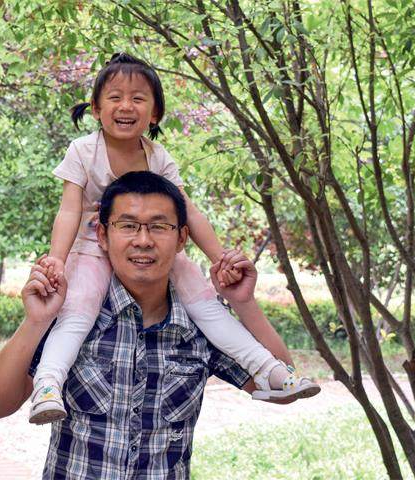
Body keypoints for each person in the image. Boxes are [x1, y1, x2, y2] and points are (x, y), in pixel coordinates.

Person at [29, 53, 319, 424]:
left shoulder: (159, 157)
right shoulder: (83, 151)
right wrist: (57, 259)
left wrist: (219, 258)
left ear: (155, 114)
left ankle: (270, 370)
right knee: (78, 313)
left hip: (153, 246)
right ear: (97, 109)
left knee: (207, 305)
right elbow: (69, 210)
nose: (126, 106)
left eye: (138, 98)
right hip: (91, 248)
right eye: (115, 97)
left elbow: (189, 213)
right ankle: (48, 385)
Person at [0, 172, 319, 478]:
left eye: (159, 226)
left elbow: (283, 389)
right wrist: (36, 321)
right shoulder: (73, 314)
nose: (143, 240)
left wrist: (244, 303)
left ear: (182, 238)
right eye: (127, 226)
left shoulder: (202, 325)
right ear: (102, 235)